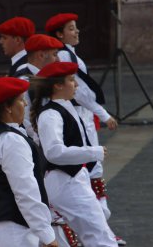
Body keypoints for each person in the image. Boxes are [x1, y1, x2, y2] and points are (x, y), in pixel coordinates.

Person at [45, 13, 126, 246]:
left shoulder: (71, 55)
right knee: (91, 169)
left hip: (81, 116)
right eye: (71, 28)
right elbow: (82, 94)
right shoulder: (63, 57)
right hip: (79, 118)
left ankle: (101, 227)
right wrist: (103, 114)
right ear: (59, 34)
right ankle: (98, 228)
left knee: (92, 172)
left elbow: (80, 89)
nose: (77, 31)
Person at [30, 61, 118, 247]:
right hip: (65, 180)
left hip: (74, 177)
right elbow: (54, 152)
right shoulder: (50, 114)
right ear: (58, 85)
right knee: (99, 235)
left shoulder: (65, 107)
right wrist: (92, 152)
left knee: (98, 232)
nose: (76, 84)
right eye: (71, 80)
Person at [0, 77, 58, 247]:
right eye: (20, 100)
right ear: (7, 107)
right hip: (13, 230)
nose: (25, 105)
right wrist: (47, 235)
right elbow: (25, 191)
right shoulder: (12, 140)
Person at [15, 33, 63, 142]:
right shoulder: (24, 81)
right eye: (55, 54)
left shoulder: (43, 78)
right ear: (41, 55)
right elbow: (26, 120)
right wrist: (41, 144)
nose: (58, 60)